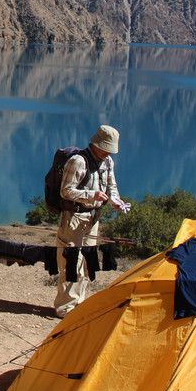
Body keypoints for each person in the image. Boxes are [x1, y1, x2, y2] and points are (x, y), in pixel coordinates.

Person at [53, 124, 127, 317]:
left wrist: (116, 202)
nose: (108, 153)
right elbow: (66, 191)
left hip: (93, 219)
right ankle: (66, 308)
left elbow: (112, 186)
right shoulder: (78, 162)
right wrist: (91, 195)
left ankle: (80, 304)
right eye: (106, 148)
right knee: (71, 262)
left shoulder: (107, 162)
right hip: (74, 218)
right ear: (96, 144)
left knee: (86, 261)